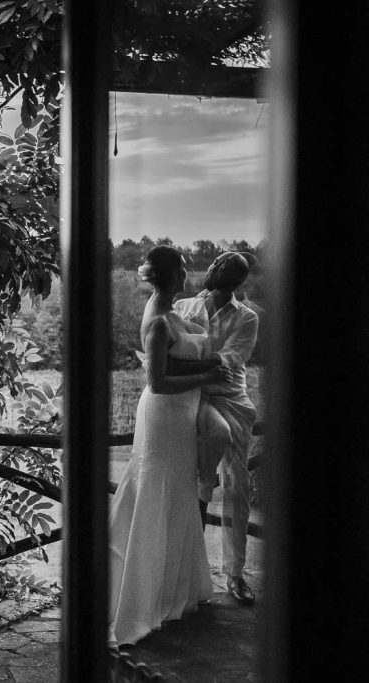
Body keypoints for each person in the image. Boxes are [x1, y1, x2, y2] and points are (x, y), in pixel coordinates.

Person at [109, 246, 228, 647]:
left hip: (181, 413)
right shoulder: (159, 320)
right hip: (166, 413)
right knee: (159, 490)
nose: (186, 273)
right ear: (170, 275)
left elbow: (175, 364)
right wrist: (206, 377)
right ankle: (146, 599)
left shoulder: (168, 309)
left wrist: (209, 368)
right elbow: (157, 381)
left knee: (177, 491)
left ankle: (175, 590)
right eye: (181, 268)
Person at [173, 251, 260, 605]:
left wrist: (179, 360)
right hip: (191, 396)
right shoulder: (183, 307)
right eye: (214, 265)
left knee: (238, 486)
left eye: (223, 268)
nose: (213, 270)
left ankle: (235, 574)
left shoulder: (248, 317)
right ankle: (187, 572)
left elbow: (230, 362)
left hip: (230, 400)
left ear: (236, 281)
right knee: (193, 481)